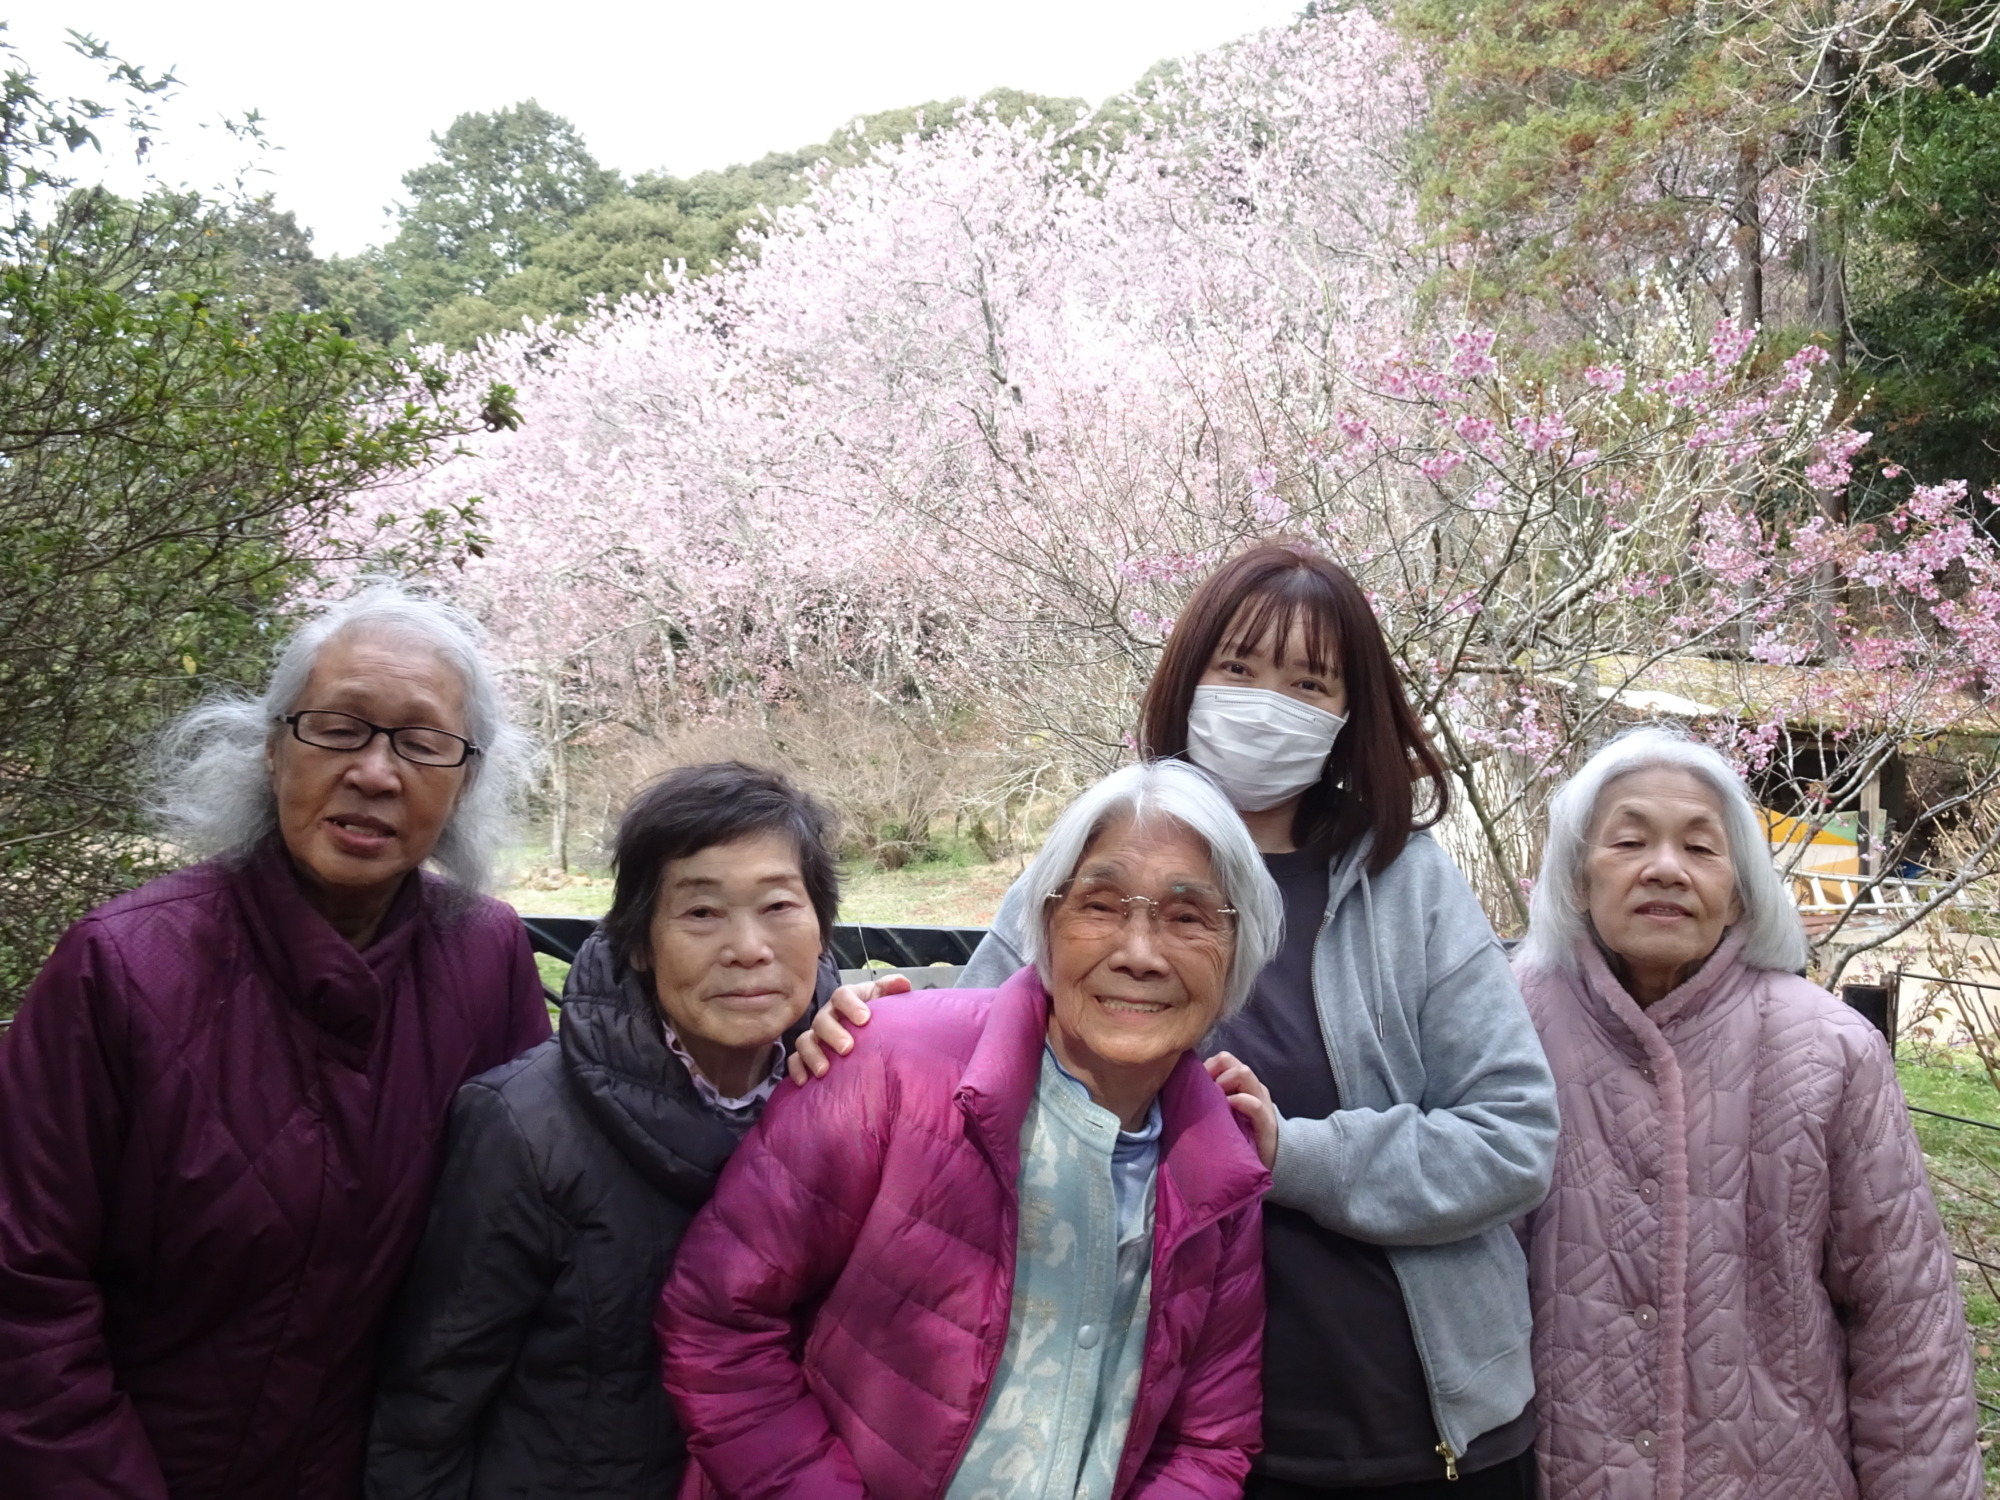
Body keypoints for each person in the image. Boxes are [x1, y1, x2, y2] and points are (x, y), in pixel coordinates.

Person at [797, 542, 1559, 1497]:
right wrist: (867, 1029)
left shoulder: (1405, 885)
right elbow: (972, 1059)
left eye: (1308, 682)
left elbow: (1513, 1139)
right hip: (1146, 1437)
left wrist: (1293, 1154)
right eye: (1237, 667)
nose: (1265, 702)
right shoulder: (1101, 849)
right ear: (1188, 677)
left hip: (1406, 1426)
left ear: (1348, 712)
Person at [0, 586, 552, 1500]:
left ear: (462, 782)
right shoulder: (123, 967)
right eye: (338, 727)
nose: (377, 772)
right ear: (271, 748)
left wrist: (807, 1042)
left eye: (421, 743)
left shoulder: (484, 956)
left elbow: (535, 1218)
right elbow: (25, 1294)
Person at [658, 760, 1281, 1500]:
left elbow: (1210, 1440)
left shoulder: (1221, 1166)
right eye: (1102, 906)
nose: (1140, 955)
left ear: (1238, 950)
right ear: (1047, 923)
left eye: (1188, 918)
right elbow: (718, 1318)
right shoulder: (886, 1061)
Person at [1514, 727, 1980, 1499]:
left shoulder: (1831, 1051)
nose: (1665, 868)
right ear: (1573, 877)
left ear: (1739, 886)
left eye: (1701, 849)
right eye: (1629, 840)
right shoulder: (1504, 1024)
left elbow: (1905, 1330)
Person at [366, 763, 842, 1498]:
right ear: (641, 943)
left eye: (779, 905)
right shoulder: (525, 1127)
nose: (748, 948)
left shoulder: (858, 1102)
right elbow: (429, 1405)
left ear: (822, 927)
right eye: (702, 913)